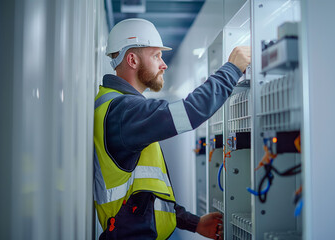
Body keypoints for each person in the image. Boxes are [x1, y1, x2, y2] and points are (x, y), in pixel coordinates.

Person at [93, 18, 251, 240]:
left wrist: (193, 223)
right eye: (156, 56)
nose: (163, 64)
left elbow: (143, 194)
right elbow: (190, 112)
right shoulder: (124, 111)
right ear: (132, 59)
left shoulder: (116, 106)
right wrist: (232, 69)